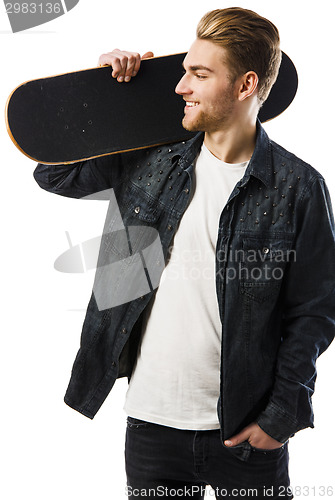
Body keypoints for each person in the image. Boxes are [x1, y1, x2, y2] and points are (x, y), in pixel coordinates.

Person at [33, 7, 335, 500]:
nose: (180, 86)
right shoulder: (148, 154)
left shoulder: (297, 186)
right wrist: (106, 95)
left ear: (245, 86)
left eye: (199, 74)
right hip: (151, 427)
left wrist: (279, 418)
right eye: (183, 71)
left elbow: (316, 310)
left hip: (246, 433)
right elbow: (53, 175)